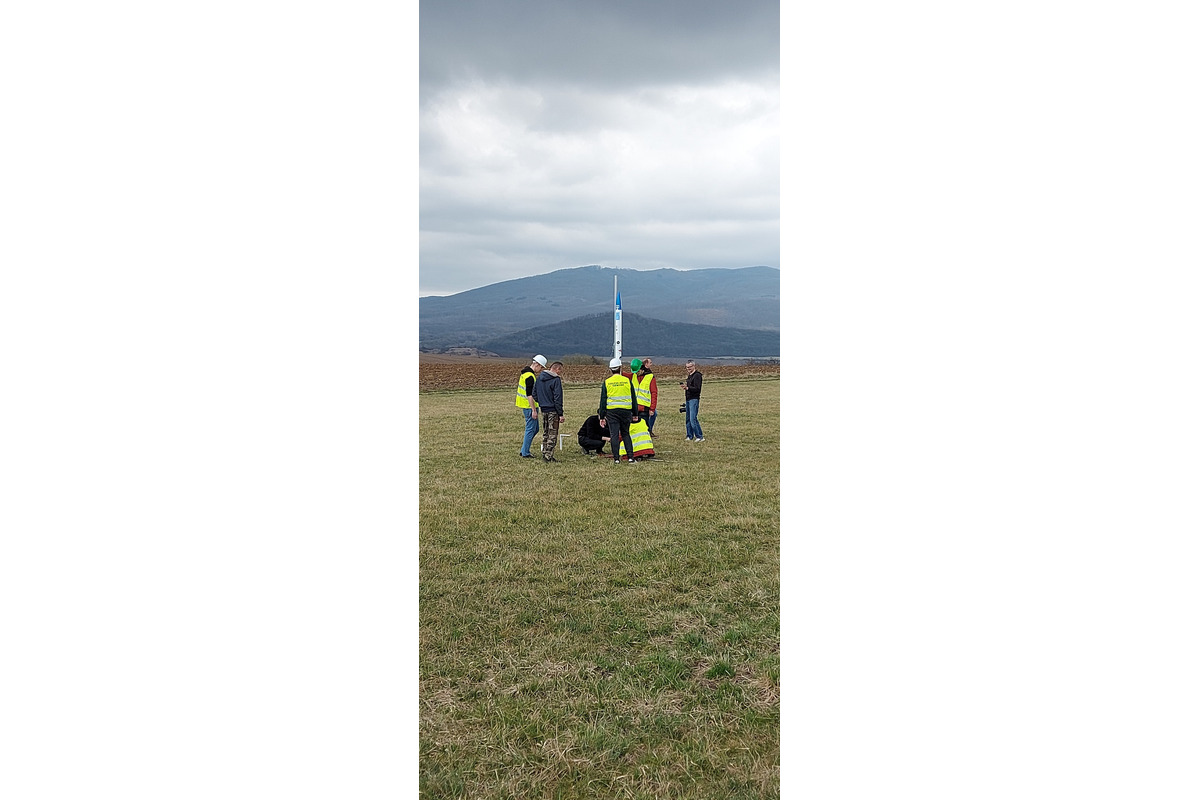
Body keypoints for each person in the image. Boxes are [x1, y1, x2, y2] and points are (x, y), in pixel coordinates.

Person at [598, 357, 639, 464]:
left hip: (612, 412)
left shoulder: (607, 382)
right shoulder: (627, 381)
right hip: (626, 411)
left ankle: (616, 458)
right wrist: (635, 413)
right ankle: (630, 457)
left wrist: (602, 416)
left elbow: (603, 401)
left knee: (614, 435)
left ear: (610, 369)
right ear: (620, 367)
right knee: (626, 434)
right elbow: (633, 398)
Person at [533, 360, 565, 462]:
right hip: (553, 410)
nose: (560, 373)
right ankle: (548, 455)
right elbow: (558, 397)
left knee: (546, 432)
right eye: (560, 371)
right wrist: (560, 413)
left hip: (543, 409)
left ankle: (544, 452)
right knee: (552, 433)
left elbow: (534, 393)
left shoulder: (539, 378)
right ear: (557, 369)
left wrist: (541, 401)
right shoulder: (556, 380)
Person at [516, 355, 546, 458]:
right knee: (530, 429)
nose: (541, 370)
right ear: (537, 364)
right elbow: (529, 395)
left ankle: (524, 449)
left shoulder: (526, 373)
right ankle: (525, 452)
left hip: (526, 405)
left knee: (535, 429)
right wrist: (534, 410)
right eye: (541, 367)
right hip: (529, 407)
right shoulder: (530, 376)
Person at [631, 357, 658, 434]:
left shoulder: (650, 377)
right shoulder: (633, 376)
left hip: (644, 408)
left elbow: (654, 393)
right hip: (634, 408)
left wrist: (652, 408)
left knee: (644, 429)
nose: (636, 373)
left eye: (637, 371)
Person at [680, 359, 704, 442]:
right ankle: (689, 435)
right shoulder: (690, 376)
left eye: (690, 367)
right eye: (687, 367)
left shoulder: (697, 375)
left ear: (694, 366)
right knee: (688, 419)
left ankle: (699, 436)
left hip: (694, 399)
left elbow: (697, 388)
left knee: (693, 419)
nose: (688, 369)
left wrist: (687, 388)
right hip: (688, 399)